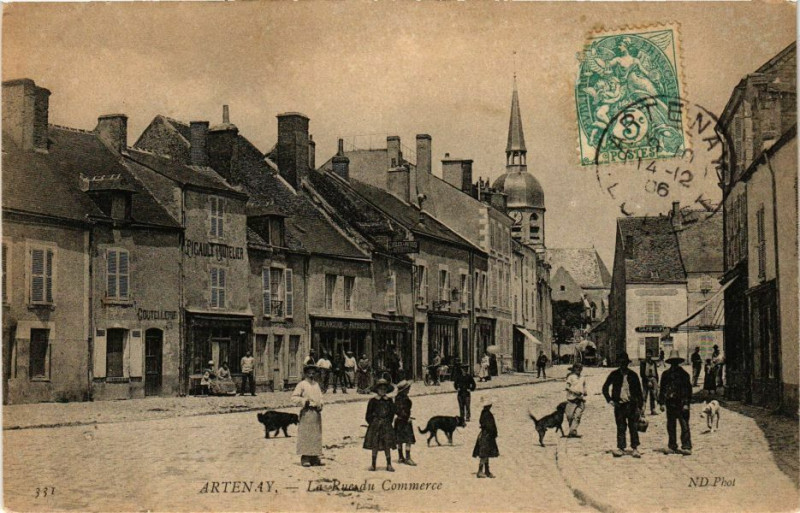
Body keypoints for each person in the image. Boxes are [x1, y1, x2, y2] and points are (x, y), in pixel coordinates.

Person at [602, 352, 644, 458]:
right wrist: (609, 400)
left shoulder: (633, 375)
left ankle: (635, 448)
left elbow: (639, 392)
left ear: (627, 363)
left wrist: (641, 406)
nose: (623, 365)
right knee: (620, 427)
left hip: (632, 405)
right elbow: (605, 387)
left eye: (625, 363)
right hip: (619, 405)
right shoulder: (614, 374)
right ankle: (621, 448)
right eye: (621, 363)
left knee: (633, 427)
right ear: (619, 364)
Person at [658, 349, 693, 455]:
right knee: (671, 425)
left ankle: (686, 446)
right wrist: (662, 403)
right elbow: (662, 389)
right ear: (670, 363)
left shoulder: (684, 375)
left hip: (681, 404)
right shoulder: (665, 374)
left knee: (684, 425)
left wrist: (686, 403)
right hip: (670, 403)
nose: (674, 364)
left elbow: (688, 390)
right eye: (672, 362)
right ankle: (672, 446)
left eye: (675, 362)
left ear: (678, 362)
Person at [291, 365, 324, 467]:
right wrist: (304, 401)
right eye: (309, 373)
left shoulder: (316, 385)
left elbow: (320, 397)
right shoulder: (302, 384)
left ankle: (314, 457)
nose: (311, 375)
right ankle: (305, 457)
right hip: (307, 412)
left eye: (313, 373)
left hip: (316, 413)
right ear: (306, 374)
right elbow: (294, 397)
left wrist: (320, 404)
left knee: (315, 434)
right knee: (306, 434)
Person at [364, 378, 397, 472]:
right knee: (375, 444)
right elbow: (368, 415)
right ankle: (373, 464)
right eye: (380, 389)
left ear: (387, 390)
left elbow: (392, 413)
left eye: (384, 389)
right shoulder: (373, 401)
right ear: (377, 390)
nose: (382, 390)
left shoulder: (389, 400)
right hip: (375, 425)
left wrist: (387, 422)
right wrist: (374, 422)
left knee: (387, 444)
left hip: (386, 425)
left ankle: (389, 464)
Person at [473, 395, 499, 478]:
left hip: (486, 434)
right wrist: (494, 433)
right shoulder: (487, 414)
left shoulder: (484, 412)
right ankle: (480, 471)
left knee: (486, 453)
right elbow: (489, 426)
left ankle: (487, 471)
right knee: (484, 454)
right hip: (487, 435)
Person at [394, 380, 416, 466]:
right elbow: (403, 411)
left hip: (398, 420)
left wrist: (400, 416)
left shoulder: (396, 398)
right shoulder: (405, 399)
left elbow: (396, 410)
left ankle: (400, 457)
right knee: (408, 439)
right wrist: (407, 418)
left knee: (399, 439)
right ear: (404, 390)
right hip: (405, 421)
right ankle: (408, 458)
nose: (409, 390)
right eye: (408, 388)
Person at [565, 363, 587, 437]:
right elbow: (567, 387)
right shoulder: (571, 377)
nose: (579, 370)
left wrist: (584, 391)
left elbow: (583, 386)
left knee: (577, 416)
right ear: (574, 369)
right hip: (571, 399)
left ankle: (573, 431)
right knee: (569, 416)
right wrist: (574, 392)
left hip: (580, 399)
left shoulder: (582, 377)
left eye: (580, 368)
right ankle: (572, 430)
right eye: (577, 368)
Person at [639, 350, 660, 415]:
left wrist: (656, 381)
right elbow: (642, 373)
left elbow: (656, 372)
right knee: (644, 395)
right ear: (646, 355)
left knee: (653, 395)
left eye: (650, 354)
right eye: (647, 354)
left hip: (653, 380)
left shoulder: (653, 362)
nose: (649, 355)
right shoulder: (643, 362)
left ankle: (653, 409)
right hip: (646, 380)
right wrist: (648, 381)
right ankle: (642, 410)